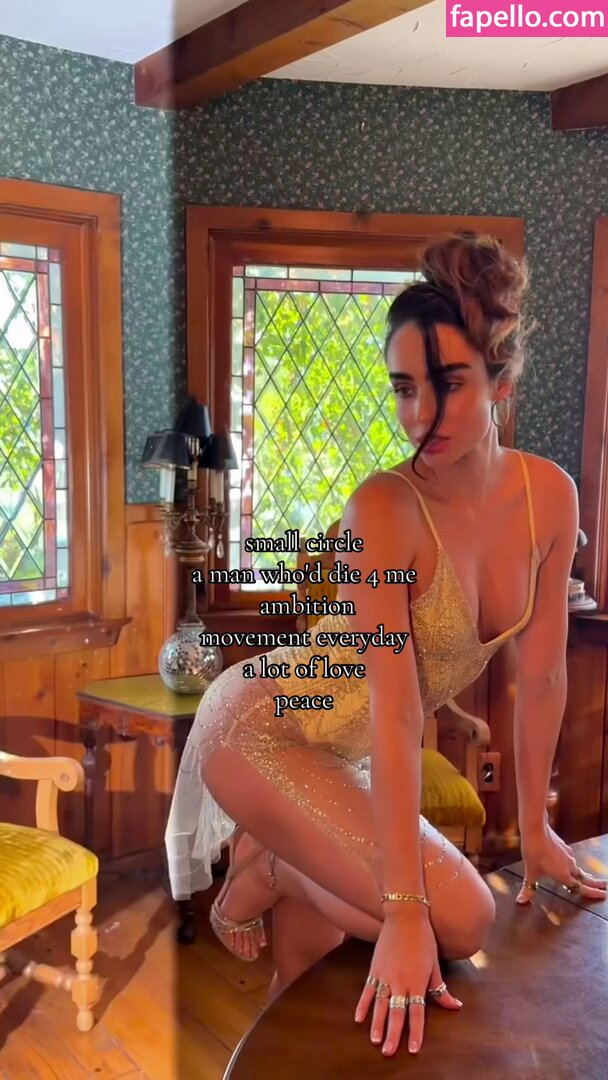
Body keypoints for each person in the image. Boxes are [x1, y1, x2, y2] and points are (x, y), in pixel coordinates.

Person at [165, 232, 607, 1059]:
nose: (419, 415)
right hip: (264, 729)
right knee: (461, 918)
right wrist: (405, 909)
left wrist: (534, 828)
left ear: (502, 382)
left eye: (449, 384)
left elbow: (545, 678)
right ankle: (269, 868)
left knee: (313, 973)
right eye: (405, 388)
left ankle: (281, 887)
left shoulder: (550, 496)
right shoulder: (384, 509)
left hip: (349, 752)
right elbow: (400, 712)